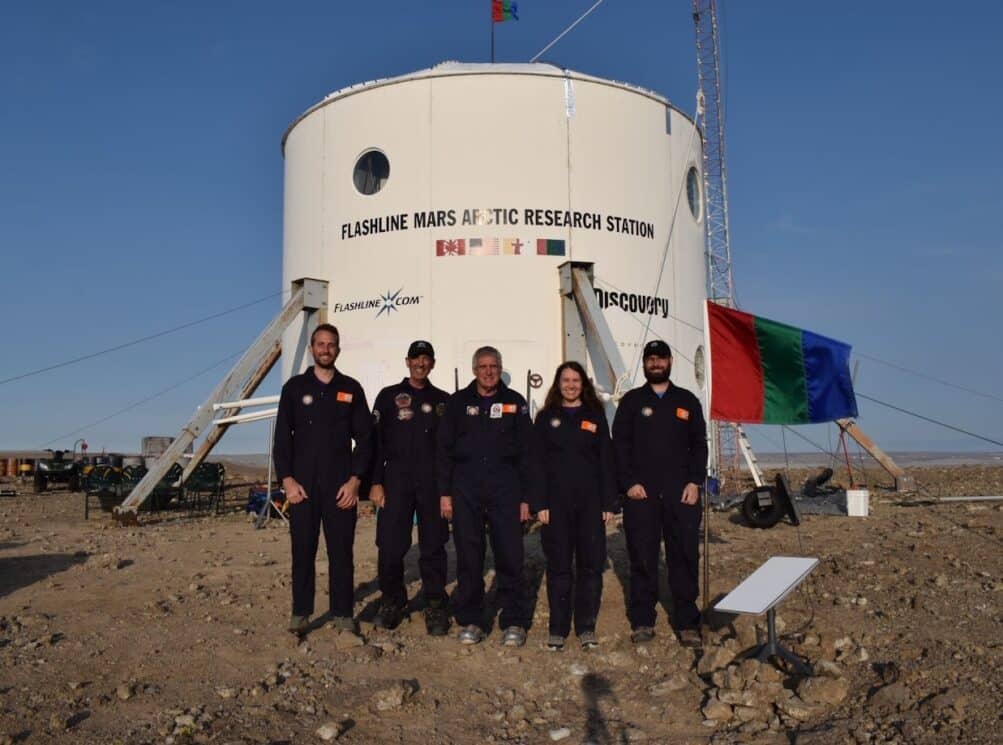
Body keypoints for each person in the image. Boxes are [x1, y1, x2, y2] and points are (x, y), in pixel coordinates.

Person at [273, 323, 372, 635]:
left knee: (341, 553)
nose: (325, 349)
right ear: (312, 349)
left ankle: (343, 613)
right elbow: (282, 440)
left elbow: (366, 439)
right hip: (302, 487)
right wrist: (287, 481)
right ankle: (301, 613)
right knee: (302, 551)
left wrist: (355, 481)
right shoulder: (294, 389)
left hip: (340, 487)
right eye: (320, 344)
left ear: (338, 350)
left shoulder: (351, 389)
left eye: (331, 344)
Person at [611, 340, 708, 647]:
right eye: (650, 359)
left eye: (661, 358)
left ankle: (687, 622)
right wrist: (628, 483)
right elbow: (619, 446)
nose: (656, 363)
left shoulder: (687, 401)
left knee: (684, 556)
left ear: (670, 362)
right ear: (644, 363)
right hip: (642, 495)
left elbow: (699, 444)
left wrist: (694, 482)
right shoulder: (632, 402)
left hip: (682, 495)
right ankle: (642, 620)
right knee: (642, 557)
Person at [437, 346, 533, 646]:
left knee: (510, 555)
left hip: (506, 488)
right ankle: (472, 620)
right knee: (469, 555)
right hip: (465, 488)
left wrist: (526, 497)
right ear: (474, 370)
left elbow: (528, 453)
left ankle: (514, 620)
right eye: (483, 366)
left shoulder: (515, 402)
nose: (489, 372)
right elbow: (443, 451)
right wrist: (444, 494)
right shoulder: (457, 403)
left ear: (500, 369)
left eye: (493, 366)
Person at [530, 361, 617, 651]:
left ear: (583, 384)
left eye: (575, 380)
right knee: (559, 566)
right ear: (558, 384)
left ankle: (586, 627)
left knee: (590, 566)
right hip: (555, 505)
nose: (570, 385)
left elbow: (606, 461)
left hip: (590, 504)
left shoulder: (595, 417)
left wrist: (608, 502)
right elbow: (536, 463)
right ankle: (558, 629)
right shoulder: (546, 418)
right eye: (565, 380)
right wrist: (539, 502)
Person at [370, 340, 451, 635]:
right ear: (407, 361)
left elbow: (450, 450)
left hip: (432, 483)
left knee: (433, 547)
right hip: (396, 481)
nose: (421, 363)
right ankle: (392, 600)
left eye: (426, 359)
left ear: (433, 364)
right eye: (416, 358)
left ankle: (435, 604)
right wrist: (375, 482)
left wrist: (448, 490)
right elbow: (375, 444)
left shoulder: (444, 401)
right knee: (390, 546)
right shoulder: (388, 397)